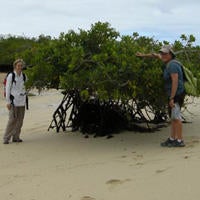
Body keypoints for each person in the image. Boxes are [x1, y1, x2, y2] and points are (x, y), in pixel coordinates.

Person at [136, 45, 185, 147]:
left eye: (165, 53)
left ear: (171, 54)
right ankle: (172, 139)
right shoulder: (166, 61)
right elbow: (155, 55)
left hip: (176, 94)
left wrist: (172, 98)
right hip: (173, 93)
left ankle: (179, 141)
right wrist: (143, 55)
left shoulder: (172, 65)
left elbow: (175, 81)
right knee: (173, 117)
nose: (163, 55)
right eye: (162, 53)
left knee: (176, 117)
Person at [3, 59, 27, 144]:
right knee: (12, 120)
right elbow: (7, 89)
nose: (20, 67)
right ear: (15, 66)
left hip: (22, 101)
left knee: (20, 120)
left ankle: (16, 137)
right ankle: (6, 138)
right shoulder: (11, 76)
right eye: (18, 65)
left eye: (21, 65)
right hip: (13, 101)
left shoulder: (24, 76)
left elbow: (26, 86)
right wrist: (8, 102)